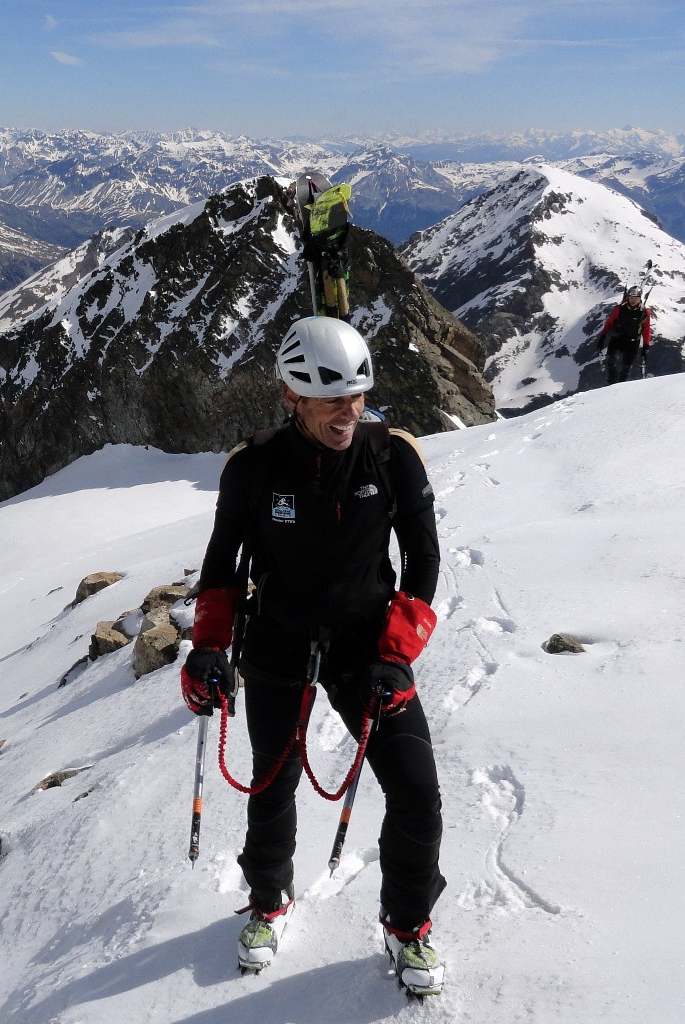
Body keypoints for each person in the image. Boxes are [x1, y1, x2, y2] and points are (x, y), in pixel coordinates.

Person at [180, 315, 448, 996]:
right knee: (273, 781)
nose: (348, 412)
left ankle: (407, 924)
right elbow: (222, 564)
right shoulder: (256, 466)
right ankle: (269, 898)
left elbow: (422, 561)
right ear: (290, 396)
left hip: (368, 650)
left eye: (357, 396)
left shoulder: (392, 457)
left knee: (416, 790)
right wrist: (209, 647)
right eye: (331, 398)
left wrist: (398, 651)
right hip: (278, 642)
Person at [597, 285, 652, 384]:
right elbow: (609, 323)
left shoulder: (644, 312)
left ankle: (620, 386)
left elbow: (646, 329)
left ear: (640, 298)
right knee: (610, 361)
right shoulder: (619, 309)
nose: (633, 300)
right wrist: (602, 337)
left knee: (627, 366)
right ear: (628, 297)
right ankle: (611, 383)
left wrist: (646, 345)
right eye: (631, 298)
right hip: (617, 339)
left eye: (635, 298)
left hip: (633, 342)